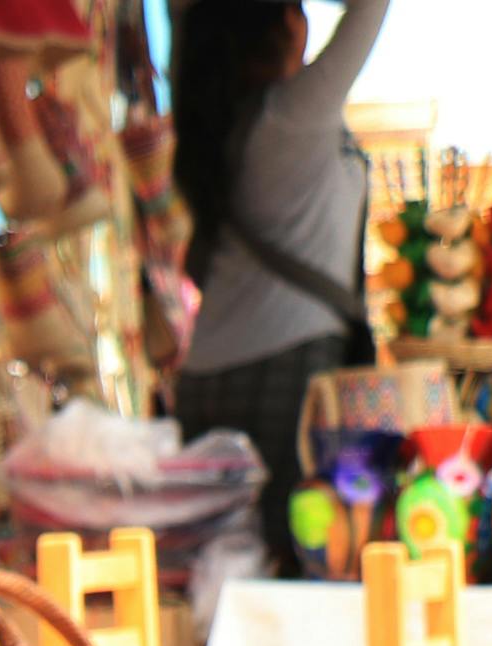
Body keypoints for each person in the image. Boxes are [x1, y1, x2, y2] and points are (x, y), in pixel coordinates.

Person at [169, 0, 396, 563]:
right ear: (282, 28)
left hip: (205, 378)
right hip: (288, 373)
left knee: (213, 570)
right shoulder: (294, 113)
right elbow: (370, 13)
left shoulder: (216, 124)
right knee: (304, 560)